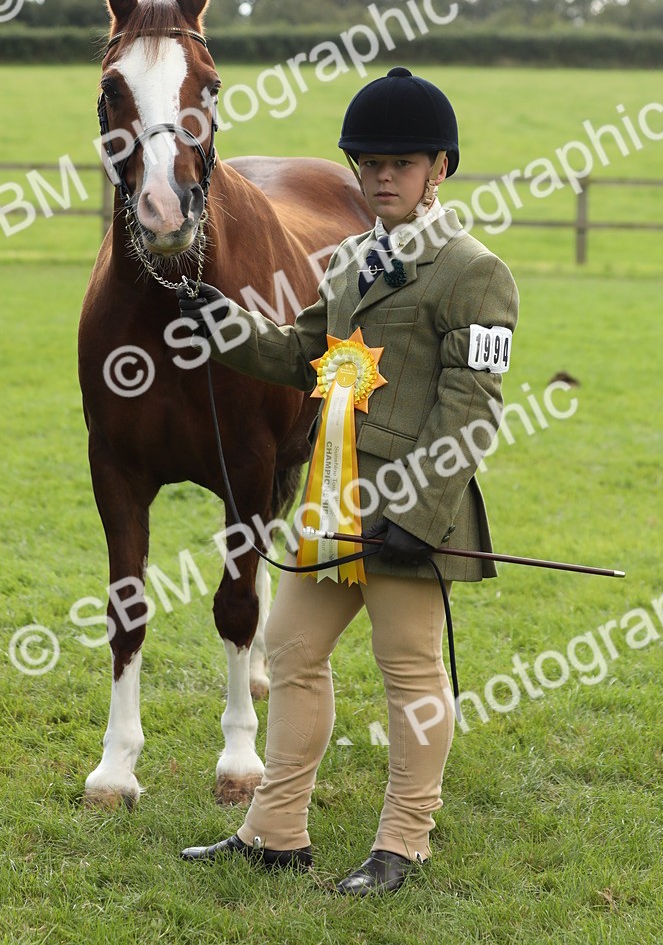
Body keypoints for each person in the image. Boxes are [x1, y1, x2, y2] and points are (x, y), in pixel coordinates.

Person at [177, 66, 519, 896]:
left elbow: (472, 410)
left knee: (410, 676)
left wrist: (419, 516)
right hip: (332, 503)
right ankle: (276, 831)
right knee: (292, 650)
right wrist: (220, 322)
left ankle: (404, 842)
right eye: (368, 163)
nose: (382, 177)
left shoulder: (473, 272)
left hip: (409, 510)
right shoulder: (348, 261)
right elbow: (303, 353)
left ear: (440, 168)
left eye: (401, 163)